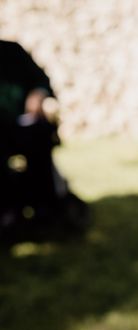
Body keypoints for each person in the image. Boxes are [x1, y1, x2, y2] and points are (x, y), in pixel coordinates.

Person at [0, 40, 88, 239]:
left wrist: (37, 94)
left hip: (22, 126)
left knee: (40, 140)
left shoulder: (11, 51)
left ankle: (47, 209)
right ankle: (8, 215)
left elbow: (41, 81)